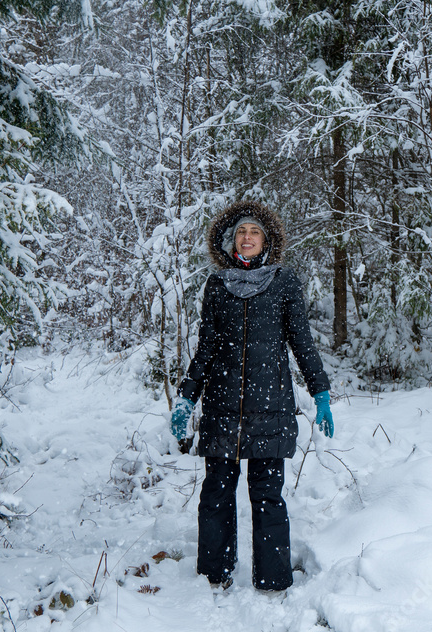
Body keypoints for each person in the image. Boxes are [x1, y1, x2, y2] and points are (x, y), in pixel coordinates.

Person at [170, 200, 334, 593]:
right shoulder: (218, 284)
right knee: (216, 494)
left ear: (266, 240)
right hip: (222, 409)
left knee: (267, 497)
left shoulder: (283, 282)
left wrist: (321, 391)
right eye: (241, 232)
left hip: (270, 408)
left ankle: (273, 581)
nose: (247, 238)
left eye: (254, 232)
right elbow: (206, 348)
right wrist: (186, 397)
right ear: (231, 240)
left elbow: (302, 343)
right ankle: (214, 575)